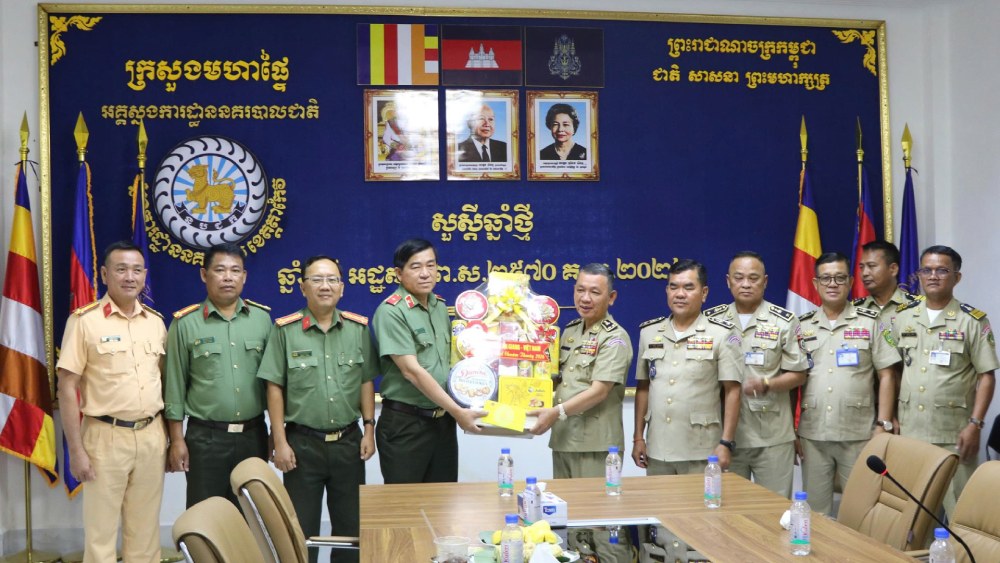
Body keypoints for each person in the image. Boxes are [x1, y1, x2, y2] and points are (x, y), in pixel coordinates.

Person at [257, 256, 377, 563]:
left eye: (332, 280)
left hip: (348, 443)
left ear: (342, 288)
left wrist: (369, 429)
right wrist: (280, 441)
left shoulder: (358, 329)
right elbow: (275, 387)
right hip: (302, 446)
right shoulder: (285, 331)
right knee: (300, 529)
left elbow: (366, 381)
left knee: (351, 530)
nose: (325, 286)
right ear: (303, 287)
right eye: (317, 279)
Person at [56, 241, 168, 563]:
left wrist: (171, 439)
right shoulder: (85, 321)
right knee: (101, 535)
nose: (129, 277)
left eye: (136, 270)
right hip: (105, 438)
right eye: (121, 269)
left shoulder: (155, 323)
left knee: (145, 535)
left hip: (150, 436)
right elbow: (67, 386)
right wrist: (75, 451)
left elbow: (161, 381)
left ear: (145, 275)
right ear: (105, 274)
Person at [164, 243, 273, 508]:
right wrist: (177, 440)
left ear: (244, 277)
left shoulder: (261, 320)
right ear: (204, 274)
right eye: (220, 270)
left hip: (253, 435)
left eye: (235, 270)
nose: (228, 277)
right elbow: (174, 387)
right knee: (207, 515)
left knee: (252, 514)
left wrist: (276, 434)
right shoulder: (185, 323)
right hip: (206, 439)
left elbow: (274, 383)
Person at [893, 245, 997, 514]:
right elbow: (892, 371)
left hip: (953, 433)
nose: (933, 276)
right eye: (926, 270)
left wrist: (975, 424)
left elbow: (986, 376)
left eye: (942, 270)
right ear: (919, 275)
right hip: (910, 430)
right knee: (914, 515)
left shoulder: (972, 321)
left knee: (961, 511)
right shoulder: (902, 317)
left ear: (956, 277)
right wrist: (890, 417)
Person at [796, 252, 901, 516]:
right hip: (813, 434)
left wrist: (883, 424)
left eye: (840, 278)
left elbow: (887, 374)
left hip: (858, 433)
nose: (833, 284)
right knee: (815, 513)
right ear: (815, 283)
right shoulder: (801, 327)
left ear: (851, 282)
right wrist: (791, 428)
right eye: (826, 278)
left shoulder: (870, 321)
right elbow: (793, 381)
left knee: (859, 511)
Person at [372, 238, 483, 483]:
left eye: (431, 265)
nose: (425, 273)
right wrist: (458, 411)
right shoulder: (391, 312)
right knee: (407, 508)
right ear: (398, 273)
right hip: (406, 425)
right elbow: (412, 371)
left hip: (442, 423)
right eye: (416, 267)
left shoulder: (440, 306)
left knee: (443, 503)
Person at [704, 251, 807, 497]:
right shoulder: (711, 321)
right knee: (728, 513)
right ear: (728, 281)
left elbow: (800, 374)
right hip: (726, 438)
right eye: (739, 278)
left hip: (772, 436)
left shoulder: (785, 321)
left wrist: (767, 383)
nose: (746, 284)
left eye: (753, 278)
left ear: (765, 281)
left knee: (773, 512)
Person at [633, 259, 742, 475]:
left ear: (704, 293)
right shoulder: (649, 332)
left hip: (701, 450)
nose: (680, 294)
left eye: (688, 287)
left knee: (700, 509)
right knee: (661, 509)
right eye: (673, 287)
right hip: (658, 448)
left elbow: (732, 391)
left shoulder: (721, 334)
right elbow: (644, 387)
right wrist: (638, 437)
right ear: (667, 291)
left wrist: (726, 442)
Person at [529, 263, 632, 478]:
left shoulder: (614, 338)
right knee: (563, 508)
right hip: (564, 438)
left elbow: (599, 391)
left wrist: (555, 413)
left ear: (611, 297)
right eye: (580, 290)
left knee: (593, 510)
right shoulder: (571, 330)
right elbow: (556, 379)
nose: (585, 298)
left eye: (595, 292)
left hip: (596, 445)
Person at [854, 240, 921, 331]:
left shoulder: (918, 307)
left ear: (893, 269)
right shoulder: (853, 310)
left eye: (871, 266)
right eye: (862, 267)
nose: (864, 273)